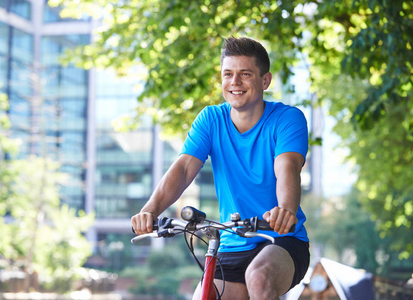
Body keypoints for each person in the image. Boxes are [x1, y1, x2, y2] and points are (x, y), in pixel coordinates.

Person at [131, 36, 310, 300]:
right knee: (203, 296)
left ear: (265, 81)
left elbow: (287, 167)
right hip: (231, 242)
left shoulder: (287, 119)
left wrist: (286, 210)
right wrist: (149, 211)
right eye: (228, 74)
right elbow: (183, 168)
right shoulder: (211, 119)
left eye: (245, 74)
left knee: (259, 276)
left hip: (280, 239)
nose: (234, 83)